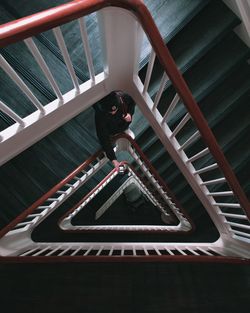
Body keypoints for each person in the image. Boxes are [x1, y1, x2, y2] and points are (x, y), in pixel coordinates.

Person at [94, 90, 135, 169]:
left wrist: (130, 113)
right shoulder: (100, 116)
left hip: (122, 125)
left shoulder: (123, 97)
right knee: (107, 143)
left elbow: (132, 103)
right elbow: (103, 138)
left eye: (115, 110)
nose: (113, 112)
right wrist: (113, 159)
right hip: (111, 130)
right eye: (110, 111)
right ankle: (109, 151)